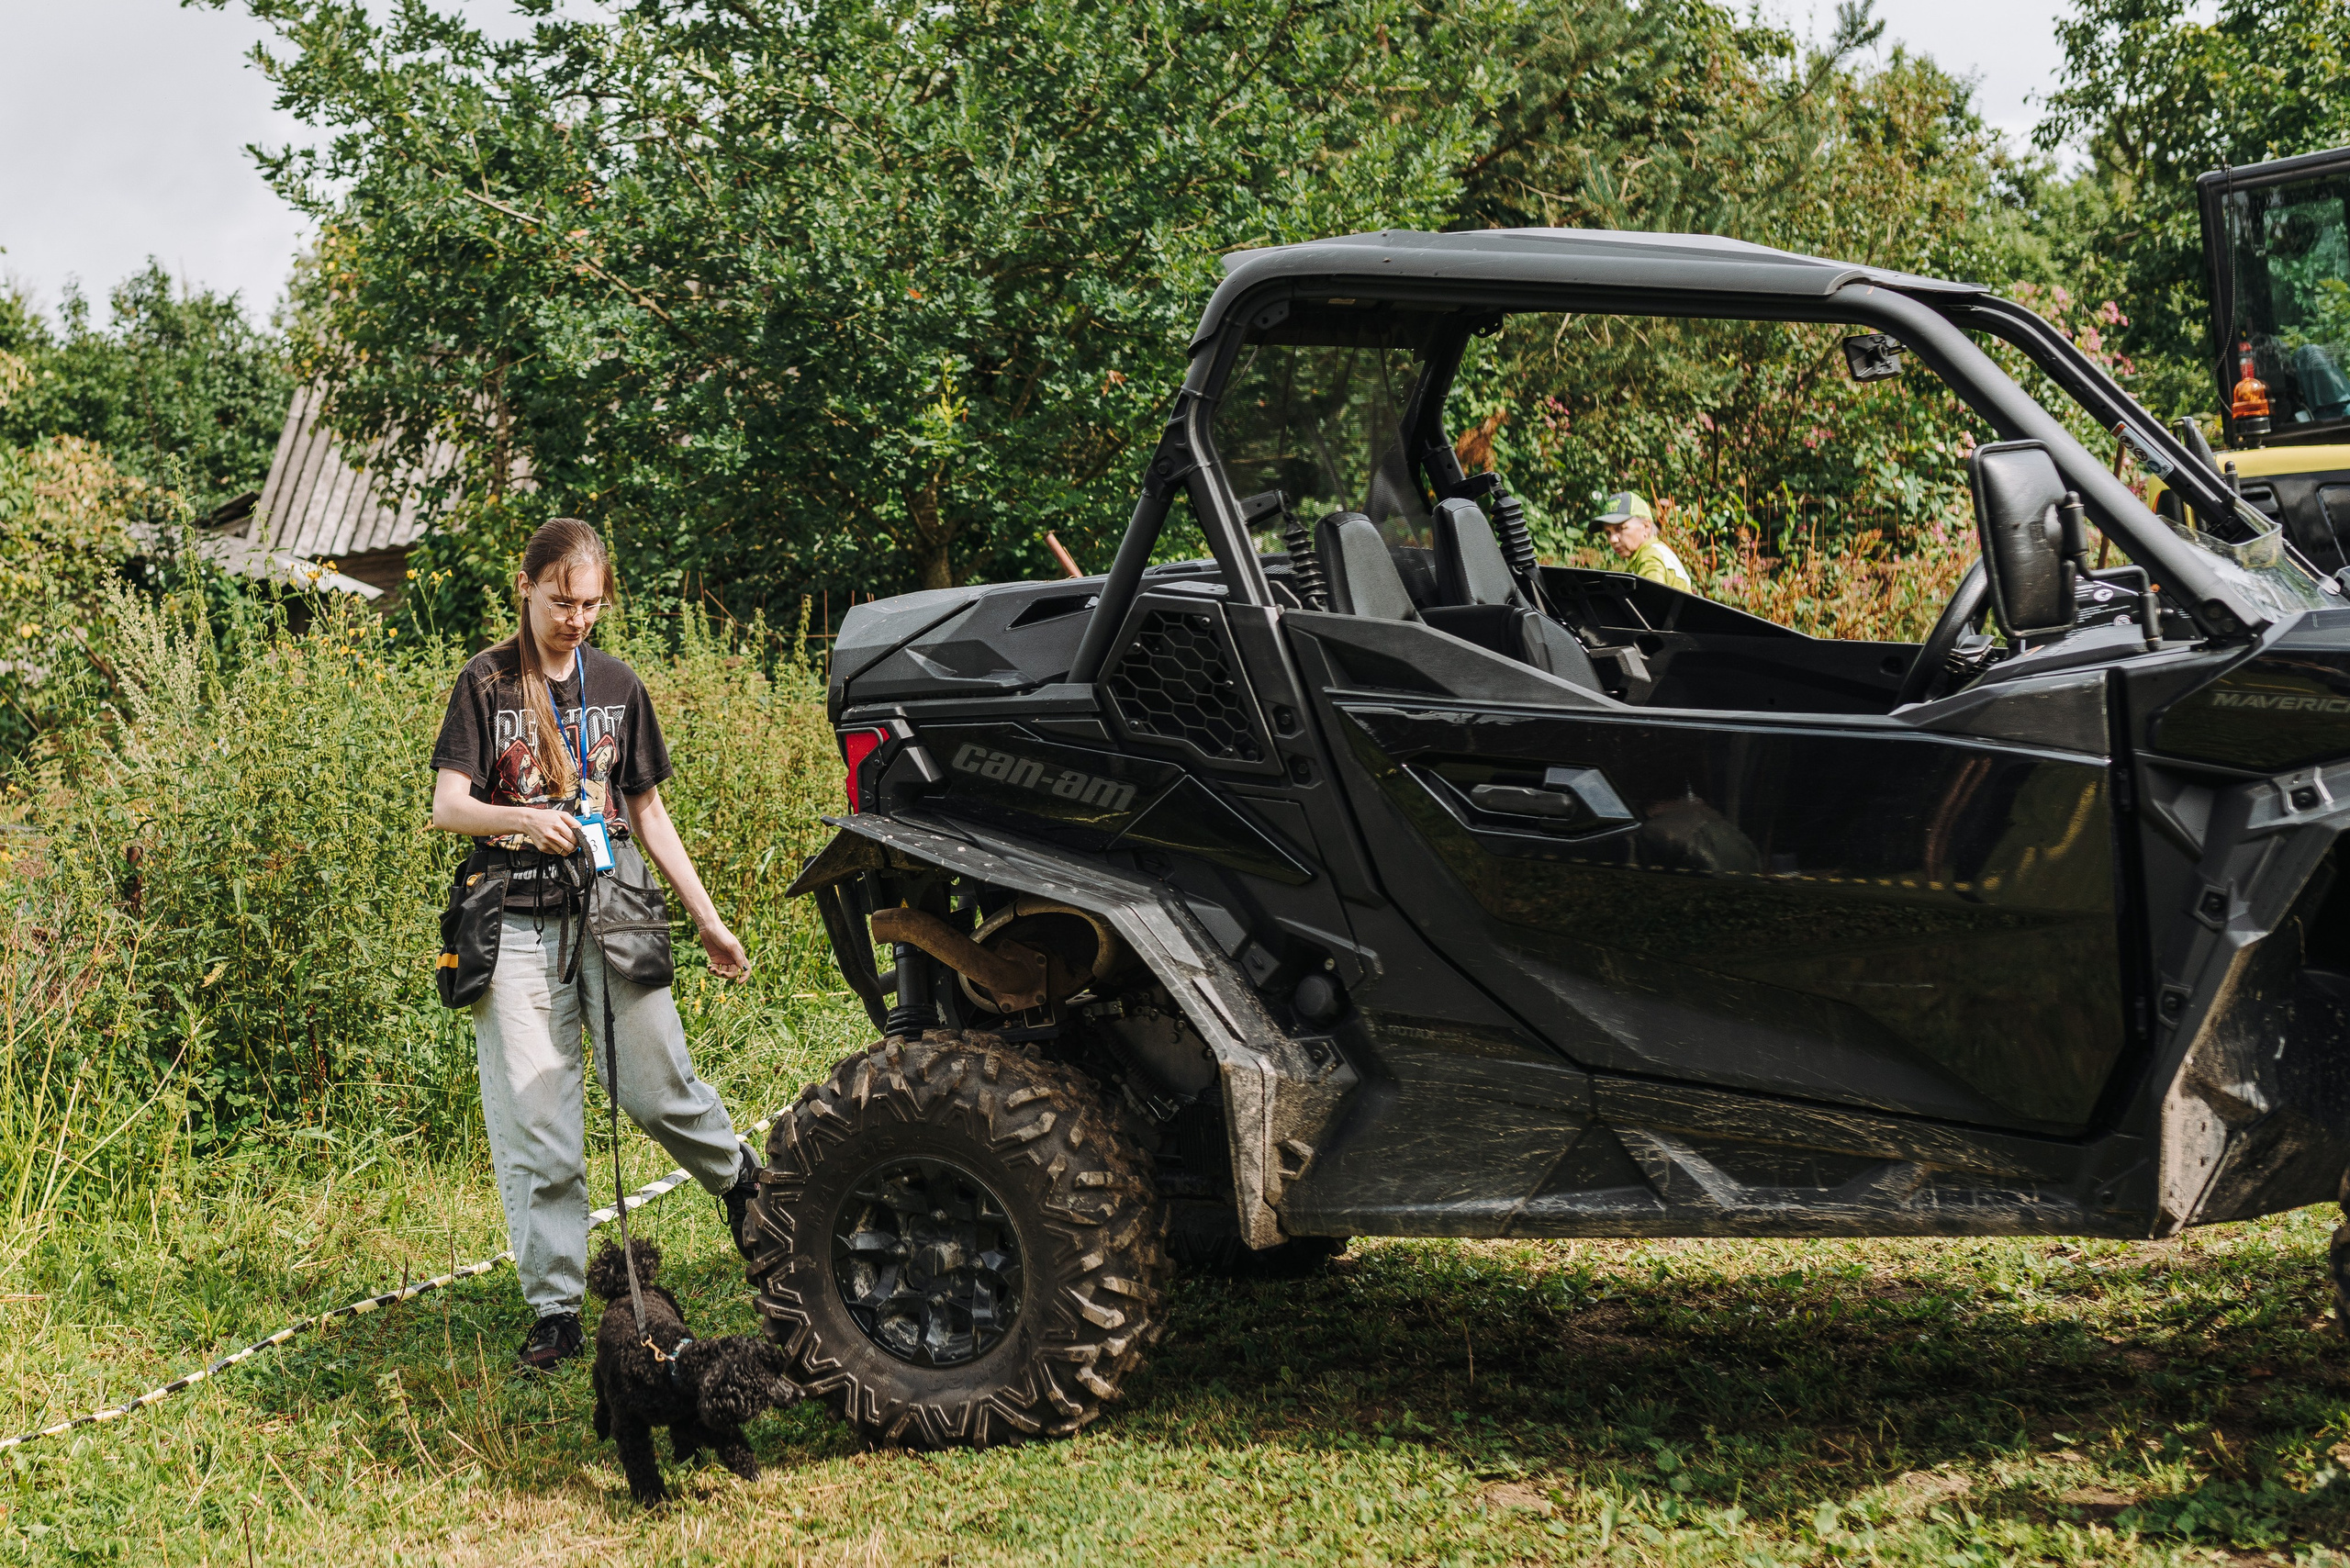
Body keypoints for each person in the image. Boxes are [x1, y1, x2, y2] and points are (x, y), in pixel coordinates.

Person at [430, 517, 758, 1372]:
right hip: (515, 927)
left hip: (617, 914)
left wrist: (708, 918)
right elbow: (449, 807)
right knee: (539, 1127)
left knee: (661, 1090)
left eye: (591, 604)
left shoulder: (618, 684)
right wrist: (524, 820)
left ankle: (744, 1187)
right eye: (561, 601)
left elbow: (648, 812)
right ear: (527, 587)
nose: (576, 619)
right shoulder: (486, 683)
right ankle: (555, 1310)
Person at [1593, 491, 1695, 592]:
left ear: (1646, 527)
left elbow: (1650, 603)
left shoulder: (1650, 557)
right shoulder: (1646, 554)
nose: (1612, 539)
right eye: (1608, 533)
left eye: (1620, 529)